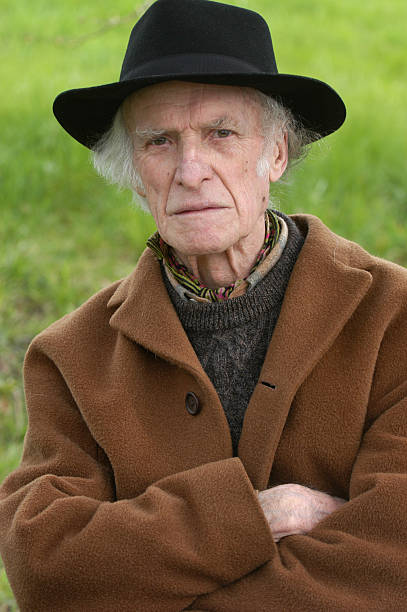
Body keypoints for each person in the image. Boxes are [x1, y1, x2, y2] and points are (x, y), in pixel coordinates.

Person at [1, 0, 406, 610]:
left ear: (277, 153)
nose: (191, 170)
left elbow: (391, 562)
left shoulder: (393, 317)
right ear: (135, 171)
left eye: (221, 133)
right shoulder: (70, 358)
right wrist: (261, 515)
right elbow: (46, 568)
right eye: (158, 141)